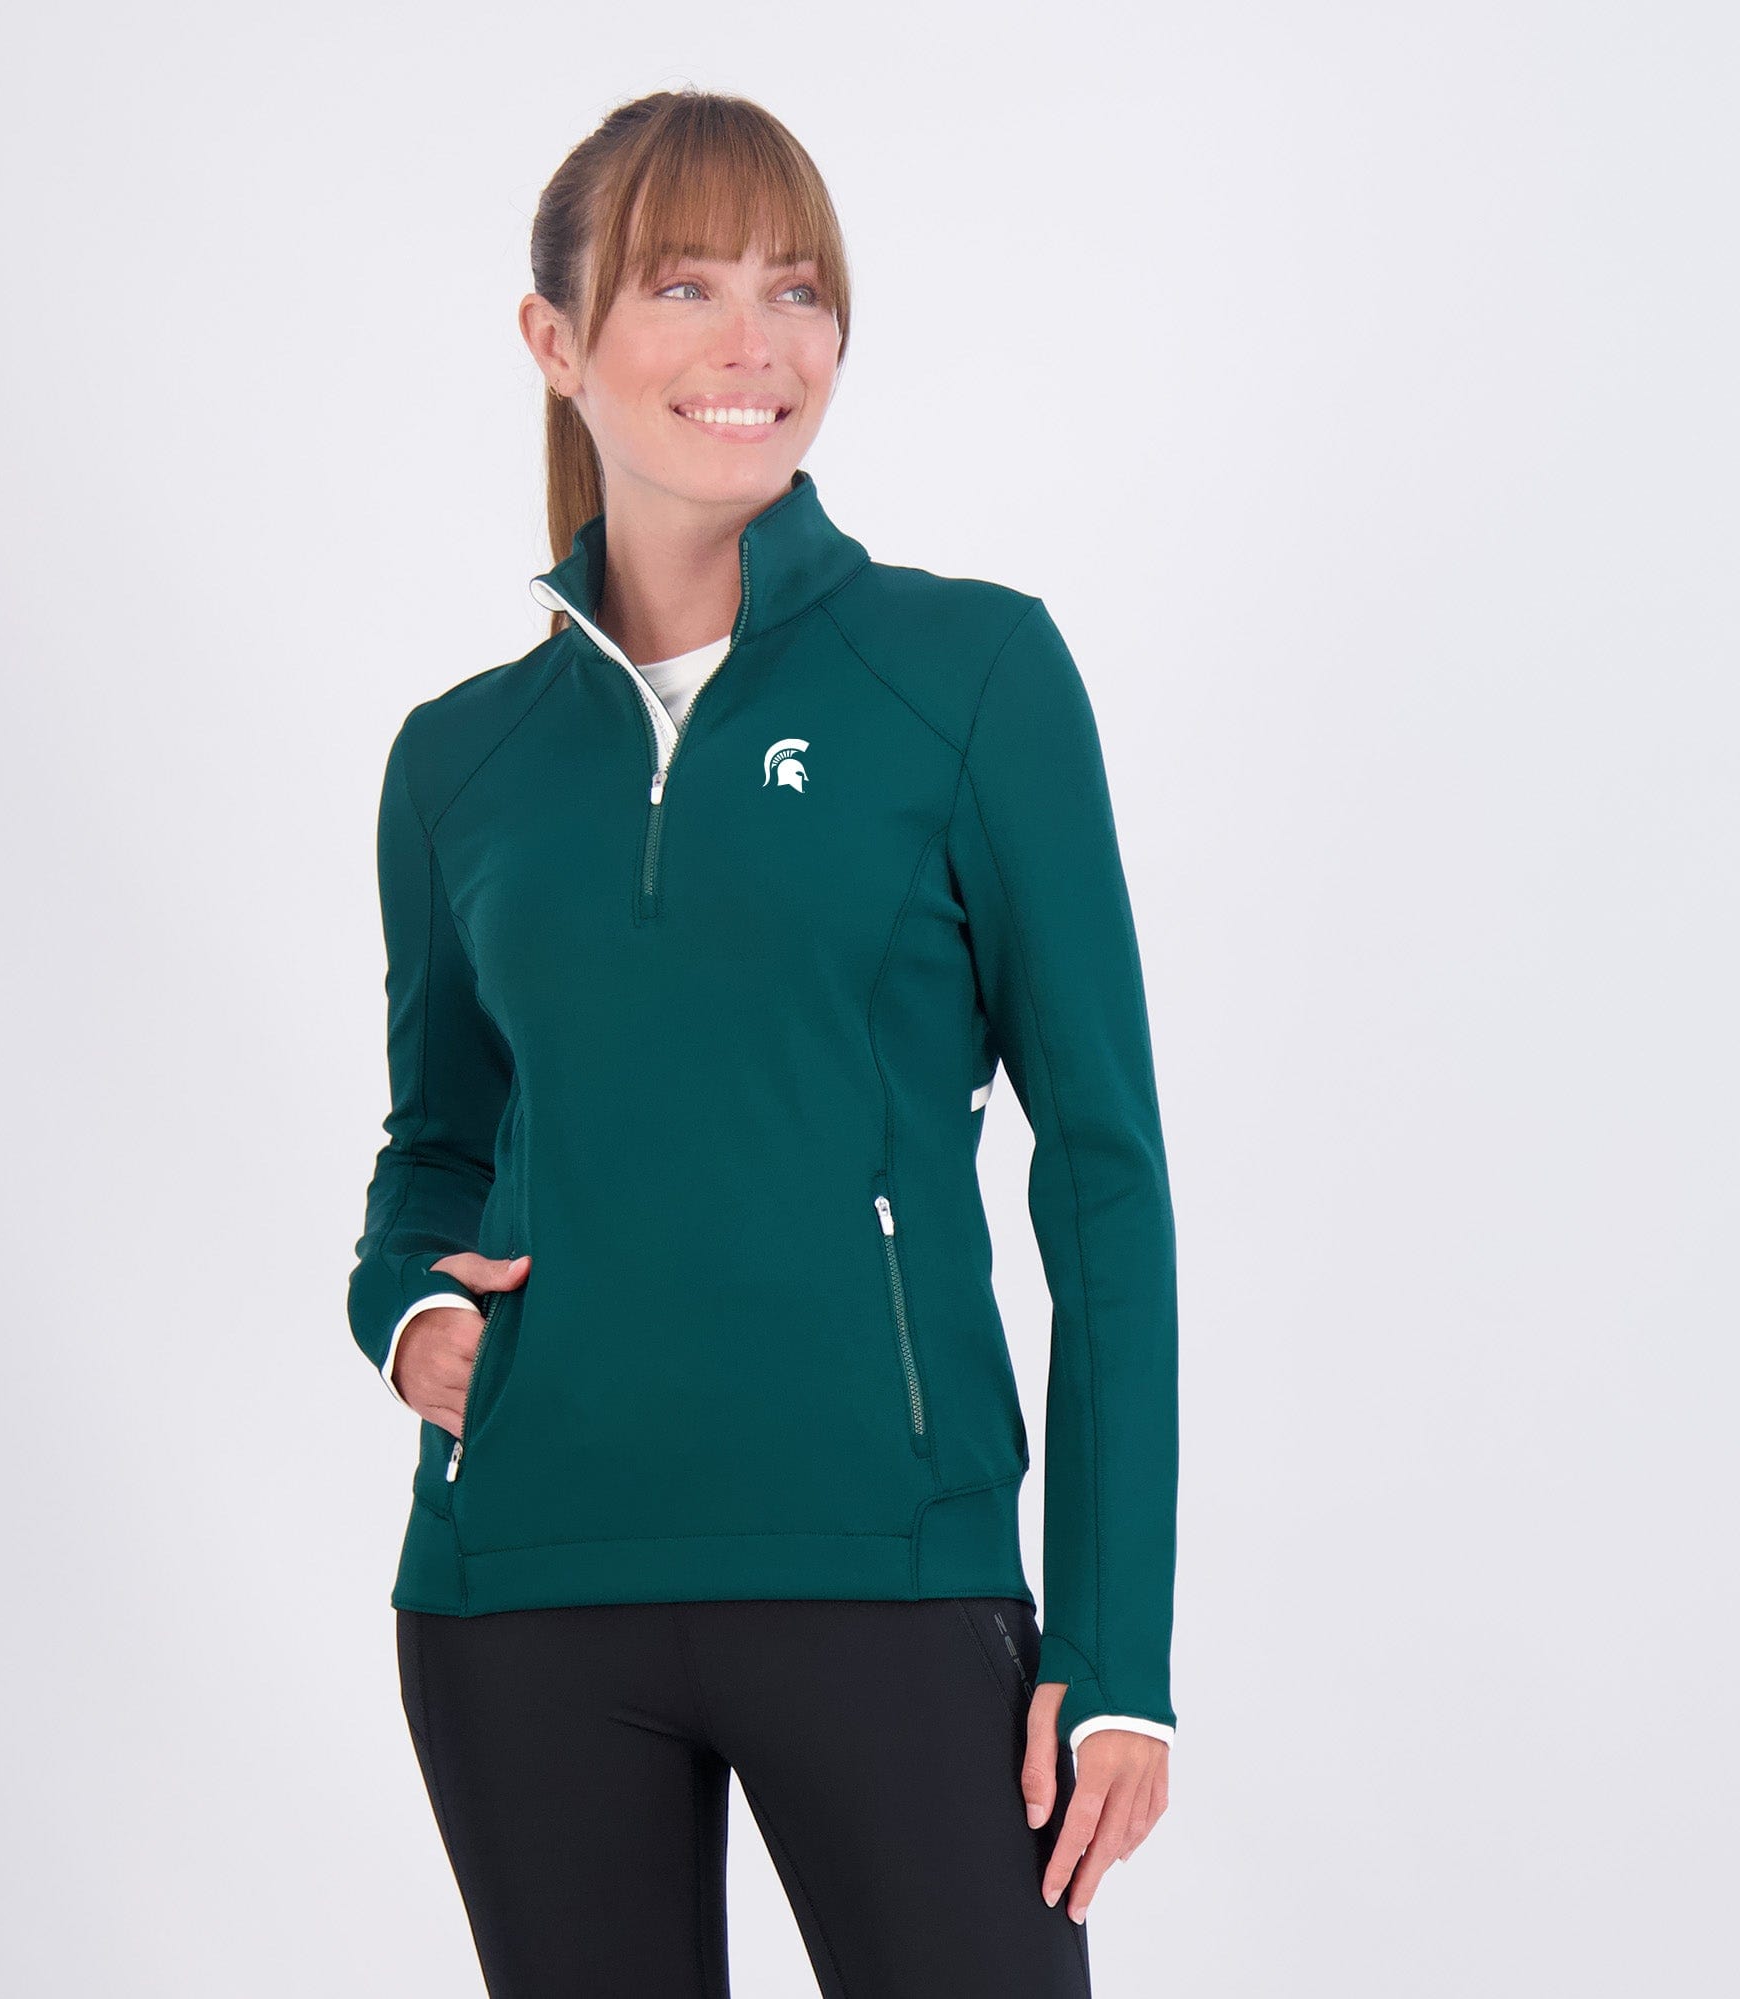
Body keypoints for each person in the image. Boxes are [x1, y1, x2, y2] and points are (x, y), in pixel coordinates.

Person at [348, 87, 1179, 1998]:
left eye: (797, 287)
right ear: (557, 341)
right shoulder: (460, 763)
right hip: (521, 1595)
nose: (757, 343)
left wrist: (1114, 1650)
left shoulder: (969, 675)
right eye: (685, 285)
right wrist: (405, 1308)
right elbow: (437, 1142)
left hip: (889, 1575)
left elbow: (1104, 1173)